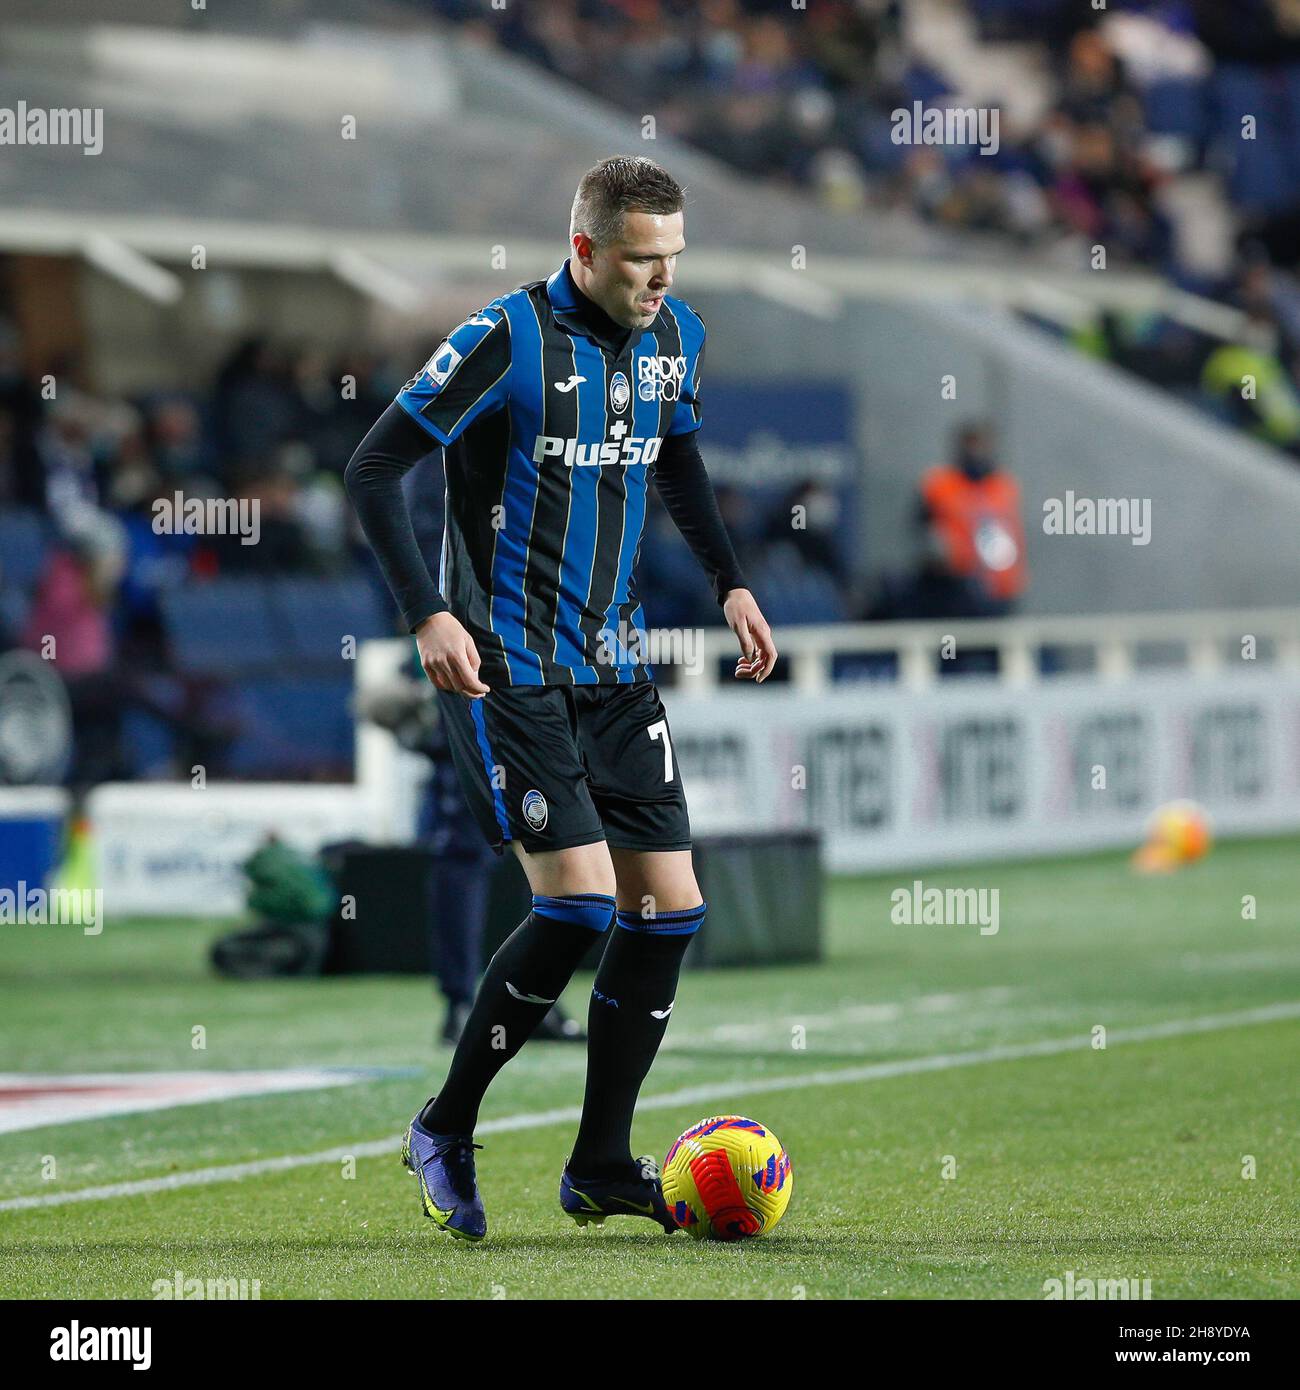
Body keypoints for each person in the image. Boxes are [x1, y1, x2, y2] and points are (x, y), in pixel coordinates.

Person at [345, 156, 776, 1242]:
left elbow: (676, 459)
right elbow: (373, 466)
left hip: (614, 664)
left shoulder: (677, 342)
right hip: (505, 662)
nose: (660, 280)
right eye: (640, 260)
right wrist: (425, 613)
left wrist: (729, 581)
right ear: (583, 248)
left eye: (672, 258)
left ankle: (597, 1161)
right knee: (578, 905)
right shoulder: (503, 339)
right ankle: (444, 1125)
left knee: (668, 911)